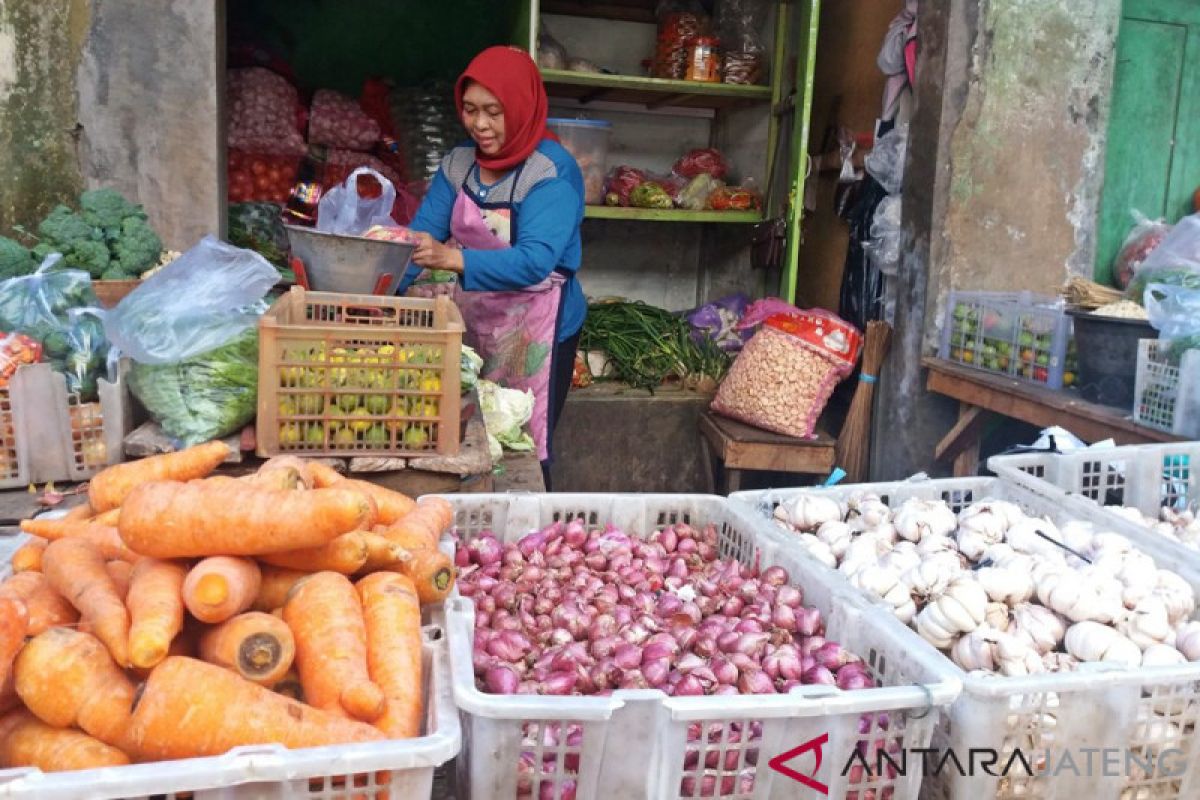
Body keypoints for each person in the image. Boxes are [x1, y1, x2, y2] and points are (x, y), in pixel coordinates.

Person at [399, 46, 585, 489]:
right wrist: (381, 287)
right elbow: (419, 237)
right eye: (469, 110)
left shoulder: (551, 171)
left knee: (522, 443)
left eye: (493, 112)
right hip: (479, 318)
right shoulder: (459, 163)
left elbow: (536, 260)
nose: (479, 125)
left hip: (538, 327)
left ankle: (533, 540)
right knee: (474, 438)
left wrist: (452, 258)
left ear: (520, 107)